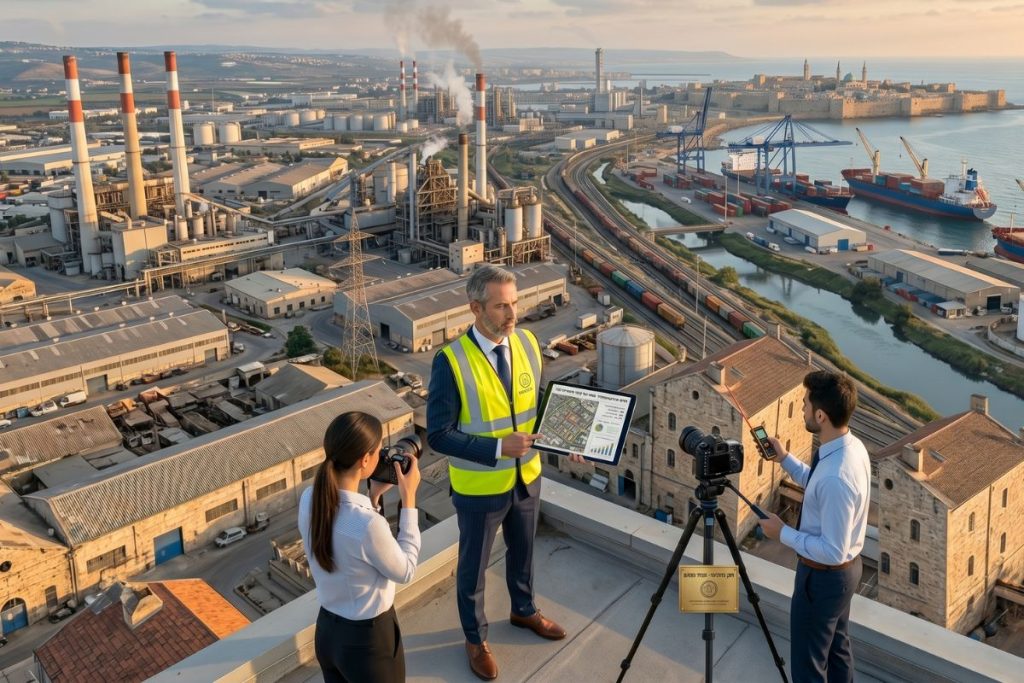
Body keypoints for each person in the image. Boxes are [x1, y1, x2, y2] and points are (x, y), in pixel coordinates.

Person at [428, 265, 583, 681]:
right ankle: (475, 639)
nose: (512, 313)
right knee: (473, 568)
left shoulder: (529, 342)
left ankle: (524, 610)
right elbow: (438, 436)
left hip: (527, 477)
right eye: (501, 306)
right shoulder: (451, 361)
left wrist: (572, 440)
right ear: (475, 308)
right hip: (479, 487)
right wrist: (497, 447)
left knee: (525, 553)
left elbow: (542, 406)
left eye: (515, 303)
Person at [758, 371, 870, 683]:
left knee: (808, 667)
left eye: (806, 404)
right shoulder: (849, 448)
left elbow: (832, 551)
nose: (803, 408)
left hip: (824, 577)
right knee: (837, 652)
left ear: (820, 415)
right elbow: (818, 484)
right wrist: (784, 459)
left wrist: (782, 533)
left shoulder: (837, 476)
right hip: (844, 574)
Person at [298, 411, 421, 683]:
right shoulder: (367, 525)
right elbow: (405, 570)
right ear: (366, 460)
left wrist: (373, 495)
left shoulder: (310, 499)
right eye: (378, 452)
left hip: (328, 633)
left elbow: (349, 541)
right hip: (368, 643)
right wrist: (409, 499)